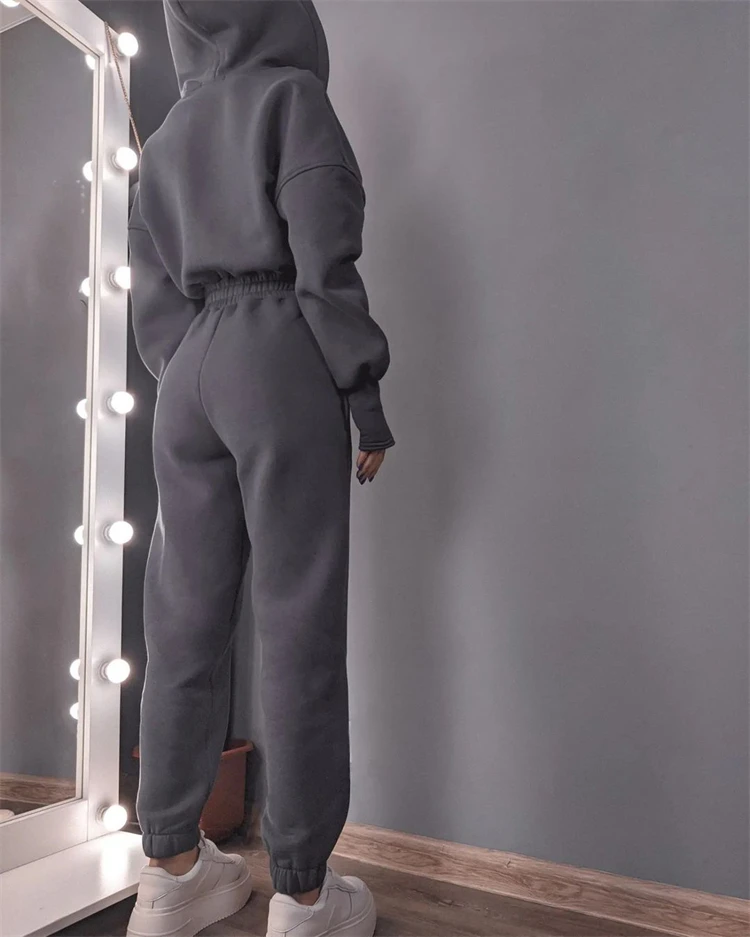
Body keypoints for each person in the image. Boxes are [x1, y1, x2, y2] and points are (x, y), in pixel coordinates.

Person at [124, 2, 394, 936]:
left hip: (188, 370)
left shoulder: (165, 137)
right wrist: (362, 394)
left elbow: (152, 293)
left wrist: (190, 371)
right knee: (297, 622)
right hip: (280, 350)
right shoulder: (292, 100)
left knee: (181, 626)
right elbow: (325, 260)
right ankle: (305, 894)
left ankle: (169, 868)